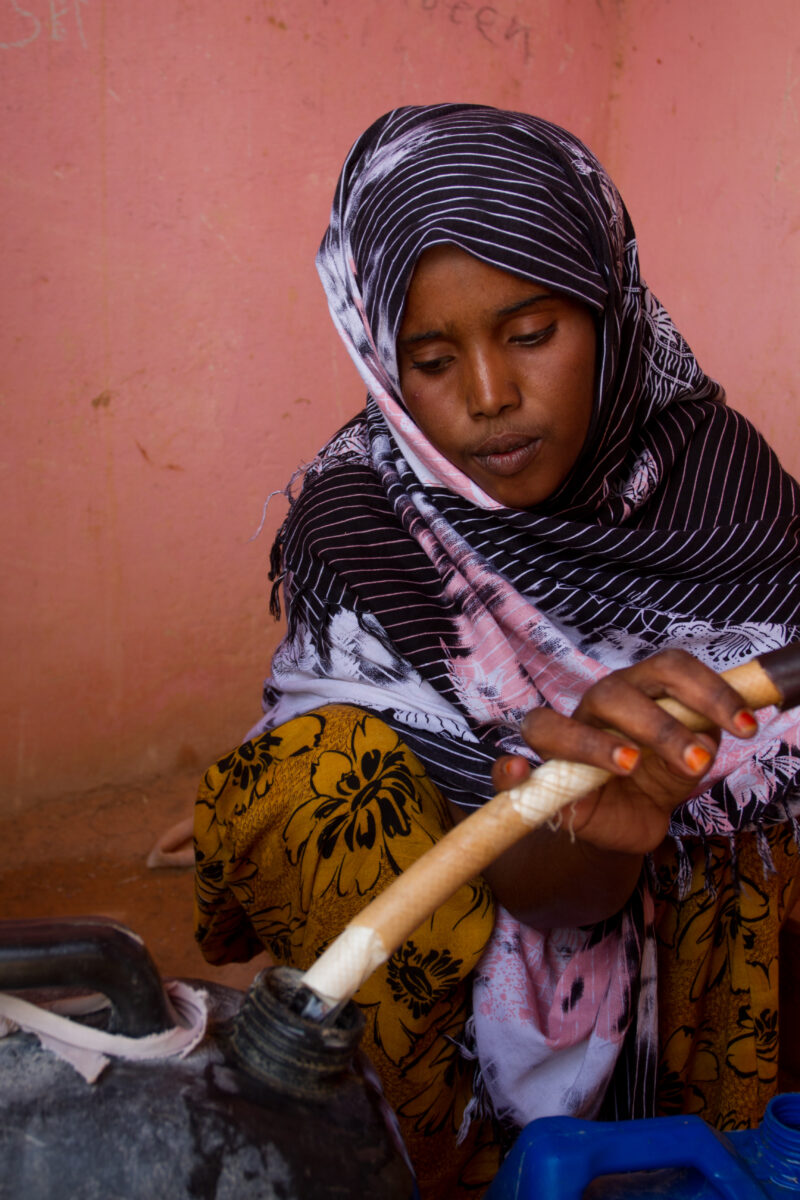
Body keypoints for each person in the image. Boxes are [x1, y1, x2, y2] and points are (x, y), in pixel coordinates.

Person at [193, 104, 800, 1196]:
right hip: (476, 920)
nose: (486, 398)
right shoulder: (365, 525)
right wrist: (593, 829)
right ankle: (420, 1159)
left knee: (765, 784)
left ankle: (717, 1143)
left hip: (684, 961)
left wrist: (667, 797)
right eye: (429, 358)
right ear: (380, 359)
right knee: (307, 785)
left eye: (530, 334)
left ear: (608, 308)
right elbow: (526, 875)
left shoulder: (718, 483)